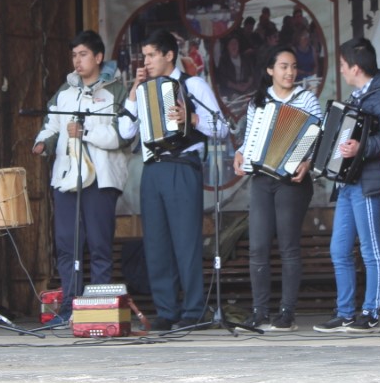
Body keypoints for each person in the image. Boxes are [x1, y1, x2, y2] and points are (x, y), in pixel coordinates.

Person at [118, 29, 228, 330]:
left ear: (169, 55)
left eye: (152, 55)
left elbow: (221, 127)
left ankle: (193, 310)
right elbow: (125, 132)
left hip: (182, 166)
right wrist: (133, 92)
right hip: (153, 168)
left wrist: (191, 119)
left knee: (186, 241)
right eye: (144, 56)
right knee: (156, 243)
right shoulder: (143, 91)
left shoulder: (192, 85)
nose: (146, 61)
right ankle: (166, 310)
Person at [32, 31, 128, 329]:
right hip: (67, 177)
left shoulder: (116, 90)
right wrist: (42, 143)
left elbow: (122, 136)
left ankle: (97, 308)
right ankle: (68, 306)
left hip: (100, 178)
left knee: (99, 244)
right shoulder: (65, 90)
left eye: (83, 54)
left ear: (98, 57)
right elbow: (51, 124)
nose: (78, 60)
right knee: (66, 244)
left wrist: (86, 133)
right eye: (74, 55)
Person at [313, 37, 380, 333]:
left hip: (367, 181)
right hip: (348, 182)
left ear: (355, 67)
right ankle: (345, 313)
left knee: (370, 249)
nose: (340, 70)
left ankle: (370, 313)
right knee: (339, 249)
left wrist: (361, 148)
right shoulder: (358, 97)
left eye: (342, 65)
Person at [232, 45, 323, 332]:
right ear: (270, 70)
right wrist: (240, 153)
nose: (290, 72)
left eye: (293, 67)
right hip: (262, 178)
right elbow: (250, 138)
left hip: (292, 180)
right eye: (284, 67)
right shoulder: (259, 100)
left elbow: (316, 136)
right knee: (258, 246)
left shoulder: (306, 99)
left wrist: (307, 162)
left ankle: (287, 313)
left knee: (288, 246)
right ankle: (259, 312)